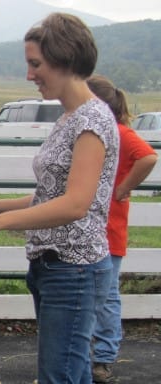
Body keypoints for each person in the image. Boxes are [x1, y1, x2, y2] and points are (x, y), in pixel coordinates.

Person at [0, 13, 120, 384]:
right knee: (69, 374)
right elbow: (51, 195)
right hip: (52, 267)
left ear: (64, 58)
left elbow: (75, 204)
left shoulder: (91, 121)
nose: (30, 75)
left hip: (73, 270)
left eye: (35, 64)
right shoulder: (69, 118)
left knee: (59, 376)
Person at [87, 74, 157, 383]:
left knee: (106, 294)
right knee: (99, 294)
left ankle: (103, 356)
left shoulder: (119, 133)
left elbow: (148, 156)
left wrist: (123, 188)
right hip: (92, 225)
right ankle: (96, 354)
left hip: (108, 228)